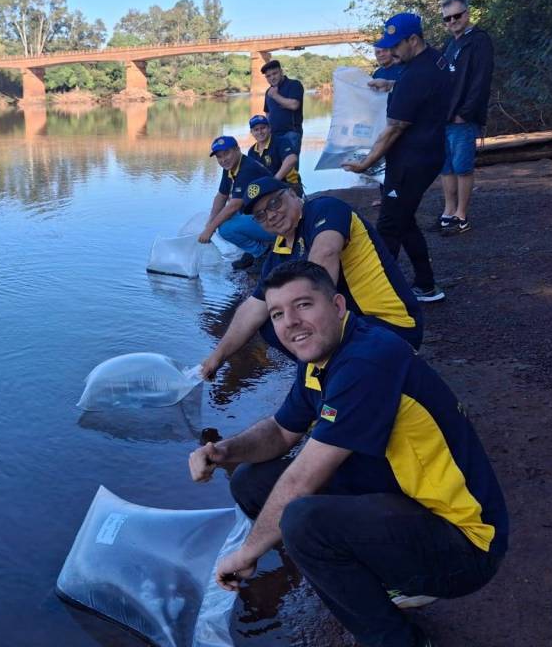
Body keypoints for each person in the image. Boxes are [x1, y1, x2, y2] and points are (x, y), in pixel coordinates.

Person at [189, 261, 507, 647]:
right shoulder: (321, 357)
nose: (290, 322)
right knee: (252, 480)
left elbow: (303, 479)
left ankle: (397, 639)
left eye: (303, 304)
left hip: (466, 543)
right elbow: (281, 430)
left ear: (338, 306)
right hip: (404, 497)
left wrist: (245, 553)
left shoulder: (367, 360)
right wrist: (224, 450)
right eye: (277, 314)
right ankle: (369, 578)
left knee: (304, 521)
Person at [199, 176, 422, 377]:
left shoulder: (325, 209)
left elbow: (326, 252)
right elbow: (252, 309)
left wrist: (303, 321)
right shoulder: (278, 253)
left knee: (293, 321)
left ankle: (339, 375)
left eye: (275, 203)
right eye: (261, 215)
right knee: (270, 321)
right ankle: (331, 372)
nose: (271, 215)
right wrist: (217, 358)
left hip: (392, 326)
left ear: (292, 194)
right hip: (352, 324)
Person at [343, 13, 452, 303]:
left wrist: (365, 164)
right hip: (430, 153)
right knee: (404, 220)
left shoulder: (415, 75)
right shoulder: (435, 60)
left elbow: (393, 128)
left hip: (410, 162)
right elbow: (424, 92)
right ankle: (426, 285)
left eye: (395, 45)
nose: (391, 52)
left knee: (389, 226)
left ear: (413, 40)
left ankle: (378, 297)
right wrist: (390, 86)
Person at [435, 0, 494, 235]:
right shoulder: (450, 45)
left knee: (462, 167)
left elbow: (481, 80)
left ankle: (461, 215)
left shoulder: (479, 41)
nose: (452, 21)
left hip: (462, 118)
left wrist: (465, 113)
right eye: (447, 18)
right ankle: (448, 212)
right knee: (446, 167)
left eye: (456, 16)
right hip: (444, 117)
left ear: (467, 14)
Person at [198, 135, 275, 271]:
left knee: (225, 228)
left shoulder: (247, 169)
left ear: (237, 150)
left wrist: (210, 229)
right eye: (219, 157)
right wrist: (210, 222)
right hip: (264, 214)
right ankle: (252, 251)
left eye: (226, 153)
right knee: (223, 218)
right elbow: (221, 196)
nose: (223, 160)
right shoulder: (231, 168)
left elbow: (234, 205)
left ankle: (262, 253)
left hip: (278, 220)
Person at [245, 115, 304, 196]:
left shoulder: (281, 141)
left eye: (263, 128)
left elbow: (292, 159)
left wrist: (274, 181)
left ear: (269, 128)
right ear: (251, 132)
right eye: (256, 130)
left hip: (289, 186)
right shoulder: (251, 151)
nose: (260, 132)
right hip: (268, 190)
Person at [261, 60, 305, 154]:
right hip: (273, 136)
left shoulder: (294, 84)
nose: (272, 78)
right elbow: (268, 113)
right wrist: (267, 134)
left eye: (275, 73)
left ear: (281, 72)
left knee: (290, 163)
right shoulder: (268, 92)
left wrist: (275, 96)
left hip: (291, 134)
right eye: (268, 76)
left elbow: (294, 105)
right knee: (274, 163)